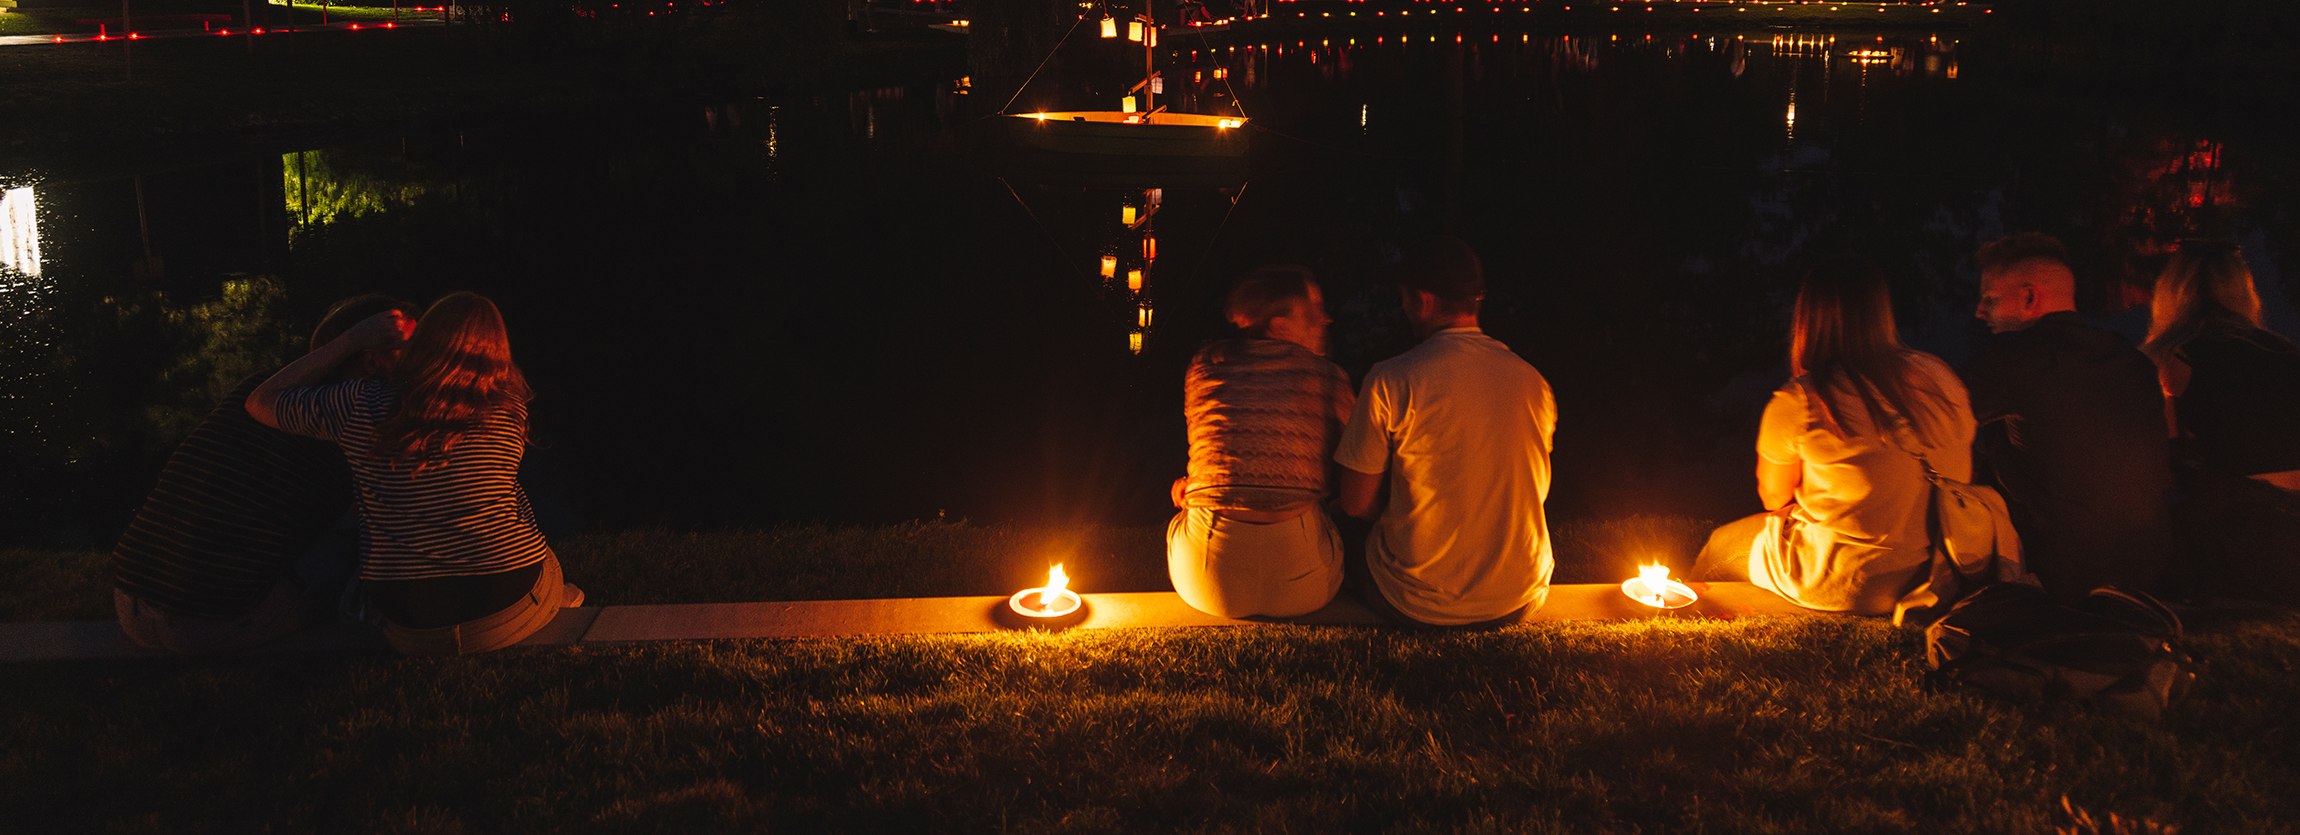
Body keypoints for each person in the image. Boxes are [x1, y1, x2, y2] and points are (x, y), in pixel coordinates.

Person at [247, 292, 580, 655]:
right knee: (515, 503)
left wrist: (351, 340)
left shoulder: (356, 402)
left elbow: (259, 401)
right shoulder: (508, 406)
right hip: (503, 616)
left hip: (410, 627)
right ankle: (542, 595)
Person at [112, 295, 417, 653]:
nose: (425, 362)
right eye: (416, 349)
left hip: (130, 602)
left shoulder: (256, 391)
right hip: (209, 622)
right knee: (359, 541)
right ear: (372, 358)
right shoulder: (354, 425)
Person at [1696, 258, 1978, 616]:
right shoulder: (1940, 377)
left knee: (1720, 547)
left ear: (1808, 320)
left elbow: (1773, 496)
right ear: (1881, 313)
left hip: (1854, 581)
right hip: (1942, 570)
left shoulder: (1803, 399)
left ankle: (1684, 633)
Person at [1333, 236, 1556, 626]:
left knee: (1338, 527)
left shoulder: (1392, 379)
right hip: (1520, 596)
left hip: (1418, 604)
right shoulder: (1533, 381)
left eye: (1404, 299)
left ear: (1423, 301)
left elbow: (1355, 503)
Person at [1963, 233, 2176, 600]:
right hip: (2148, 570)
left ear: (2029, 298)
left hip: (2060, 575)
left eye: (1989, 299)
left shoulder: (2015, 359)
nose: (1979, 312)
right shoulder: (2135, 364)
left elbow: (1936, 421)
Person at [1167, 267, 1354, 619]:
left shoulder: (1204, 366)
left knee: (1182, 513)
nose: (1325, 319)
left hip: (1206, 582)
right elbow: (1354, 470)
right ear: (1280, 327)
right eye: (1313, 311)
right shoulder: (1328, 377)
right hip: (1305, 587)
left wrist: (1199, 488)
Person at [2141, 241, 2300, 604]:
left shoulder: (2174, 358)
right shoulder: (2283, 351)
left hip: (2246, 517)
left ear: (2169, 294)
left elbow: (2164, 453)